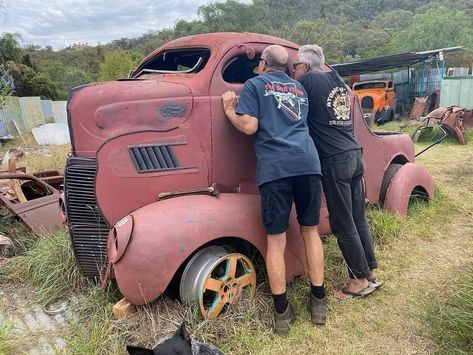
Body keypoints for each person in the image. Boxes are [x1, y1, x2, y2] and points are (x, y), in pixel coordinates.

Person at [221, 45, 326, 335]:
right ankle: (319, 302)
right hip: (308, 163)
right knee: (310, 231)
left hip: (276, 169)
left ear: (263, 64)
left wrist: (230, 109)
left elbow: (249, 126)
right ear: (289, 67)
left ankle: (282, 313)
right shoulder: (299, 89)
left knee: (276, 241)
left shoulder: (254, 85)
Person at [294, 44, 382, 299]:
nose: (294, 72)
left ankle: (358, 280)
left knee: (342, 222)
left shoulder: (309, 80)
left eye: (295, 67)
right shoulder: (339, 82)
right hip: (354, 154)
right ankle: (370, 271)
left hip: (335, 159)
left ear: (306, 67)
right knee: (357, 218)